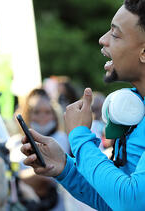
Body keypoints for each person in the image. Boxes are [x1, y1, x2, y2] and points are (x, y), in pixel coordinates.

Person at [20, 0, 145, 210]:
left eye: (115, 34)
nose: (103, 39)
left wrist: (80, 137)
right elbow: (112, 201)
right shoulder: (138, 108)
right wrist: (65, 168)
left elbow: (131, 202)